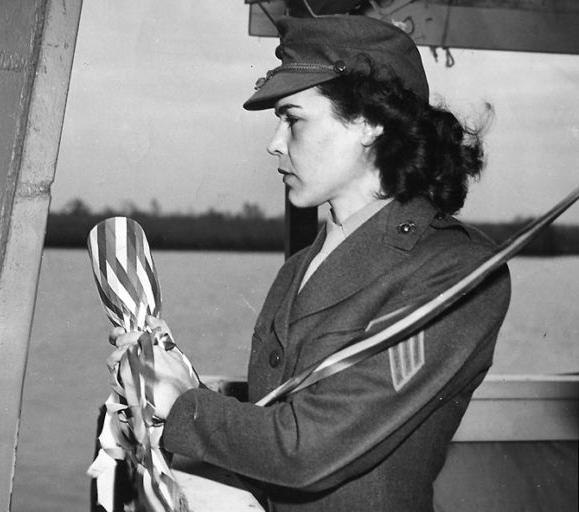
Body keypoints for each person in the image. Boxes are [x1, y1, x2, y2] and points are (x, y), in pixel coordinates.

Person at [111, 14, 511, 512]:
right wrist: (172, 378)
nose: (275, 142)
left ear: (369, 122)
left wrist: (182, 406)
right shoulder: (299, 267)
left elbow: (312, 449)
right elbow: (281, 416)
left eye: (293, 118)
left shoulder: (456, 270)